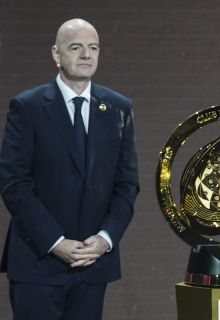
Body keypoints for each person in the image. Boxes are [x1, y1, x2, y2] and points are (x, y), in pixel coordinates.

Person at [0, 18, 139, 319]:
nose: (86, 55)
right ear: (56, 54)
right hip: (38, 263)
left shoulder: (118, 108)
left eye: (93, 48)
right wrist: (55, 242)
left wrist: (105, 238)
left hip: (92, 265)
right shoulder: (28, 107)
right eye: (75, 47)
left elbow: (126, 185)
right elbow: (14, 184)